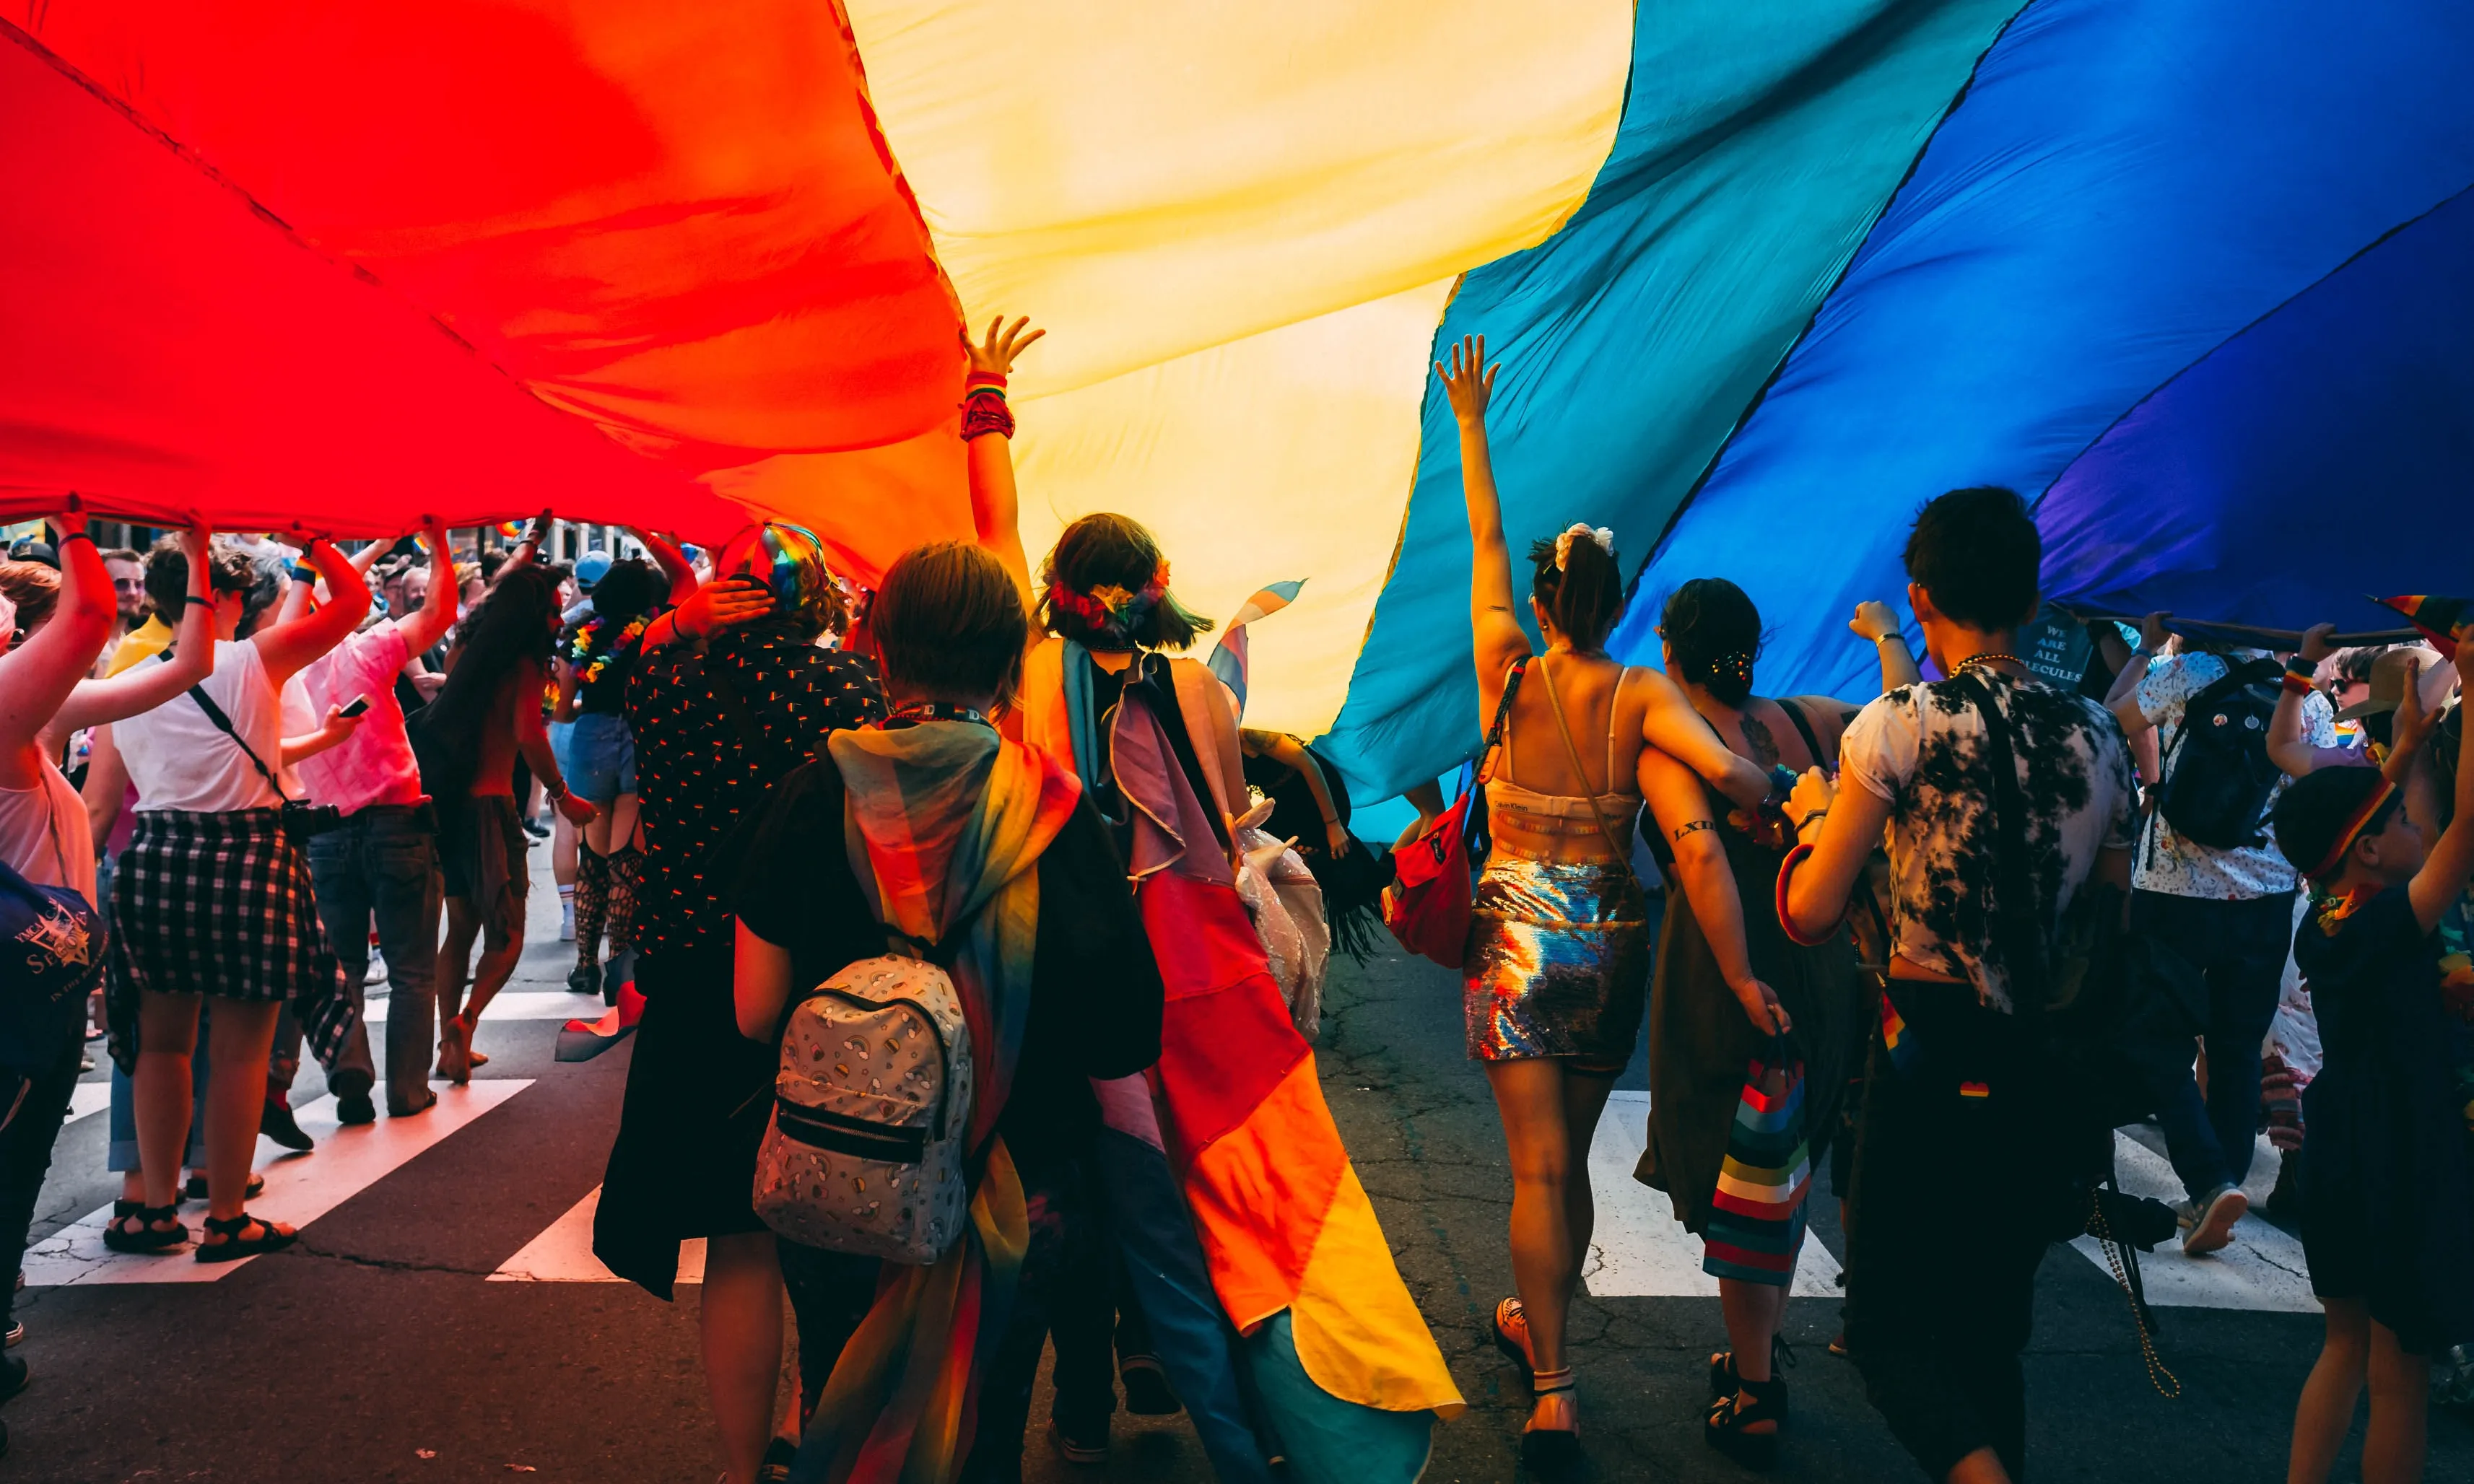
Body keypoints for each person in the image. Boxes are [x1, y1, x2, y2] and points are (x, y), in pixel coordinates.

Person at [731, 540, 1166, 1484]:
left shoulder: (814, 796)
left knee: (837, 1407)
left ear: (877, 655)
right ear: (1012, 667)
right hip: (1014, 1192)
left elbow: (756, 1010)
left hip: (836, 1179)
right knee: (986, 1434)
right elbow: (1124, 1032)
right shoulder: (1057, 821)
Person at [1436, 335, 1774, 1467]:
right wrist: (1774, 787)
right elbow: (1728, 777)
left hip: (1516, 933)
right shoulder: (1637, 693)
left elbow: (1482, 538)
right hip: (1609, 939)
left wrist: (1473, 426)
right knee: (1565, 1166)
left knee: (1529, 1171)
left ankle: (1552, 1386)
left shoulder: (1506, 669)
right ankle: (1545, 1330)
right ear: (1621, 601)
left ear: (1543, 597)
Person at [1780, 486, 2137, 1484]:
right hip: (2046, 1072)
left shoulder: (1898, 724)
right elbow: (2107, 924)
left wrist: (1814, 819)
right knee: (1987, 1343)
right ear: (2029, 600)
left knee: (1889, 1335)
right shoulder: (2099, 739)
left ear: (1919, 598)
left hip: (1928, 1060)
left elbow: (1809, 910)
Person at [595, 521, 884, 1484]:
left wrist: (677, 625)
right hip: (819, 983)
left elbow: (617, 669)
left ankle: (735, 1465)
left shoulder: (666, 683)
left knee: (740, 1239)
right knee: (835, 1225)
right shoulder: (848, 691)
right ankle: (813, 1432)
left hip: (693, 982)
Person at [1632, 577, 1861, 1467]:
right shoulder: (1810, 722)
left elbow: (1695, 854)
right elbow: (1895, 715)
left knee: (1739, 1174)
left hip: (1727, 978)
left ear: (1671, 652)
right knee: (1782, 1164)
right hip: (1821, 962)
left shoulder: (1672, 746)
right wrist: (1885, 638)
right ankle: (1752, 1350)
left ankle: (1756, 1385)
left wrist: (1733, 976)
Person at [104, 533, 372, 1260]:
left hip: (155, 859)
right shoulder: (256, 658)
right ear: (221, 596)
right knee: (239, 1054)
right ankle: (225, 1215)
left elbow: (103, 807)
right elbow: (355, 602)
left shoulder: (126, 682)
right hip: (250, 858)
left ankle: (156, 1210)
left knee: (159, 1046)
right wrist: (308, 535)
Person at [0, 511, 216, 1407]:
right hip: (12, 1000)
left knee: (15, 1178)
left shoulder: (36, 715)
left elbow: (187, 667)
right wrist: (75, 515)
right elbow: (90, 620)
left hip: (37, 994)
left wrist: (199, 553)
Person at [2273, 636, 2474, 1484]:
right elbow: (2464, 827)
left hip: (2340, 1153)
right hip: (2403, 1159)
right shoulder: (2391, 925)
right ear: (2367, 851)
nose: (2410, 824)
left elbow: (2389, 811)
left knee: (2343, 1346)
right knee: (2401, 1381)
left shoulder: (2332, 914)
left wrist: (2409, 745)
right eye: (2396, 823)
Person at [2103, 610, 2335, 1254]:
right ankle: (2224, 1182)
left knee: (2159, 1039)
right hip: (2264, 896)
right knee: (2234, 1051)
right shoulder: (2306, 698)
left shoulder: (2183, 673)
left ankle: (2207, 1183)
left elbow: (2109, 721)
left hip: (2171, 893)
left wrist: (2144, 650)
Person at [295, 520, 461, 1120]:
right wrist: (437, 543)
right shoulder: (370, 649)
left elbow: (339, 596)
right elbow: (440, 612)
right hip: (398, 824)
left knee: (343, 969)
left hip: (326, 832)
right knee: (412, 969)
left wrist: (357, 552)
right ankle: (408, 1091)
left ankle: (350, 1068)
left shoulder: (277, 670)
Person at [417, 559, 596, 1082]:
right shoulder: (521, 666)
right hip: (491, 809)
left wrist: (532, 544)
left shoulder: (463, 653)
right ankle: (465, 1021)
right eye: (554, 608)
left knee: (461, 928)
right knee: (508, 935)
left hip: (448, 807)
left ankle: (447, 1042)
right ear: (532, 613)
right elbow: (529, 734)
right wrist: (564, 796)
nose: (560, 618)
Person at [554, 556, 662, 998]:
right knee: (626, 865)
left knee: (592, 862)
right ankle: (620, 966)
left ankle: (584, 966)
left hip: (591, 741)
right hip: (640, 741)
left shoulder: (578, 639)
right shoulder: (656, 636)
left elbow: (561, 710)